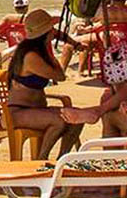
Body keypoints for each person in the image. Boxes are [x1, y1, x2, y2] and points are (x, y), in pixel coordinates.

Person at [6, 9, 84, 160]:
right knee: (58, 122)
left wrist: (68, 42)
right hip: (18, 112)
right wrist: (53, 53)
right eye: (51, 29)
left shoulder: (36, 50)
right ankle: (41, 160)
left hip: (36, 110)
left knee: (77, 118)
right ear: (45, 33)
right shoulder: (31, 56)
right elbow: (59, 75)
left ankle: (62, 159)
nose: (54, 32)